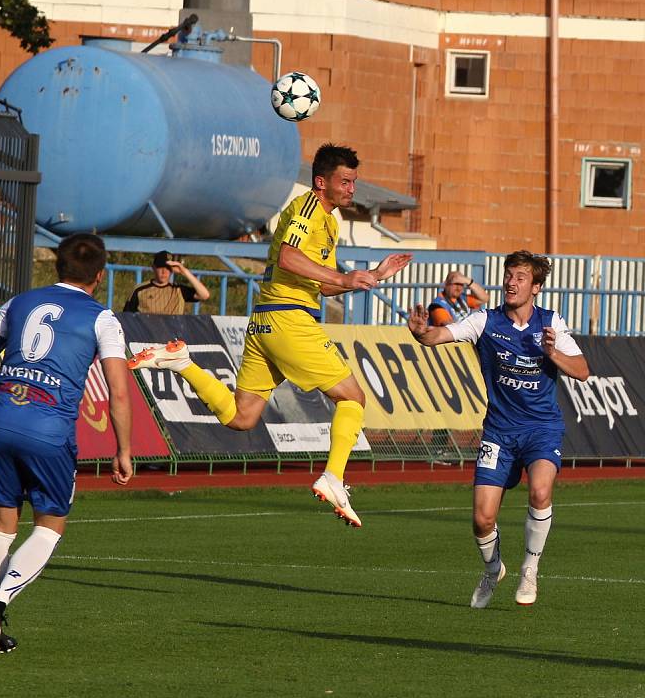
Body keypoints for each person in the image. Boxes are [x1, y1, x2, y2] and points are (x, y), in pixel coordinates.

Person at [129, 143, 411, 528]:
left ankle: (183, 363)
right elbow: (288, 259)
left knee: (242, 417)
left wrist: (374, 275)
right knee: (353, 397)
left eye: (354, 181)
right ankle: (333, 477)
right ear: (320, 182)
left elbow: (322, 285)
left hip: (265, 323)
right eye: (344, 181)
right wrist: (343, 276)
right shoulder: (308, 208)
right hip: (288, 321)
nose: (351, 189)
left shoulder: (330, 220)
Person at [408, 249, 589, 608]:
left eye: (520, 277)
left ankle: (530, 570)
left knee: (540, 493)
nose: (511, 282)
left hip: (541, 429)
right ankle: (493, 570)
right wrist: (420, 334)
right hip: (499, 433)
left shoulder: (551, 322)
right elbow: (438, 336)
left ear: (535, 286)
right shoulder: (484, 321)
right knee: (481, 519)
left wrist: (552, 353)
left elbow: (582, 370)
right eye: (509, 275)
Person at [0, 233, 133, 653]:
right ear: (101, 275)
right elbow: (118, 393)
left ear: (57, 268)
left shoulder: (17, 303)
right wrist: (122, 450)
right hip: (49, 432)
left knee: (1, 523)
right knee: (49, 526)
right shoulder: (103, 318)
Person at [427, 271, 489, 457]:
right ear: (445, 285)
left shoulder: (461, 301)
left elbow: (484, 297)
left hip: (460, 359)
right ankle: (437, 448)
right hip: (442, 359)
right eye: (455, 284)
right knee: (445, 402)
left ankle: (442, 446)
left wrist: (468, 281)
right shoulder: (438, 305)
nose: (458, 288)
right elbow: (449, 325)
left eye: (460, 286)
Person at [122, 250, 210, 314]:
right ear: (153, 268)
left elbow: (204, 295)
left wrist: (184, 272)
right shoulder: (139, 290)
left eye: (168, 268)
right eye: (160, 267)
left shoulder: (178, 290)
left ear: (172, 270)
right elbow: (126, 317)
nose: (164, 271)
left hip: (173, 338)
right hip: (147, 337)